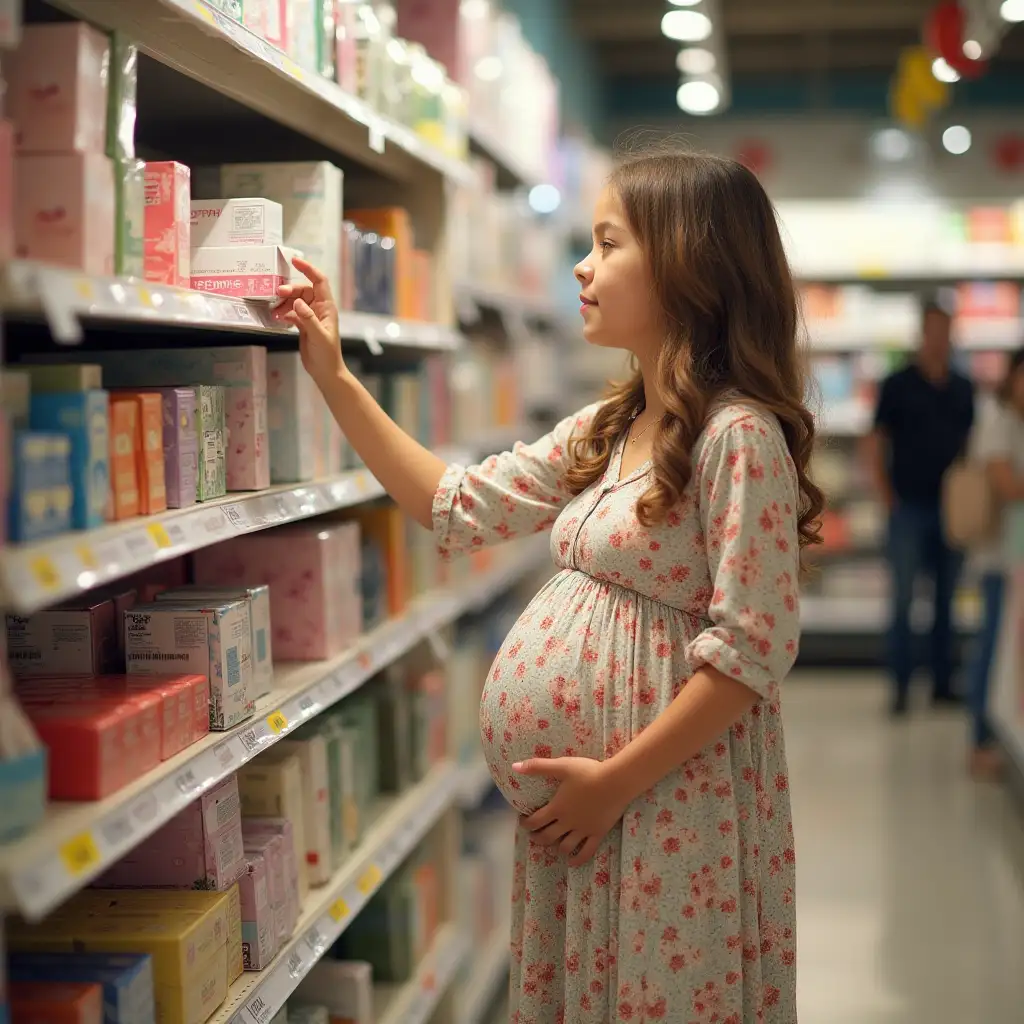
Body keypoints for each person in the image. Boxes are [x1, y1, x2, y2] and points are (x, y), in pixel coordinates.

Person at [275, 150, 823, 1023]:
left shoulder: (738, 437)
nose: (582, 265)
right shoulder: (613, 427)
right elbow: (452, 504)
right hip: (589, 813)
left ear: (687, 265)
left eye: (607, 244)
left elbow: (753, 653)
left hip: (668, 806)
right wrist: (335, 376)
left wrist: (613, 783)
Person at [869, 301, 974, 715]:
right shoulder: (897, 384)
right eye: (933, 331)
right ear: (922, 334)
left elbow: (970, 445)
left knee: (947, 600)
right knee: (903, 602)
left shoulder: (964, 387)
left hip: (951, 509)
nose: (939, 339)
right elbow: (876, 440)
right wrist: (886, 494)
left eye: (945, 331)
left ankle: (943, 684)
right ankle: (900, 687)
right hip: (908, 505)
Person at [964, 346, 1024, 777]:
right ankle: (980, 739)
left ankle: (1002, 733)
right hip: (1000, 559)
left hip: (1016, 559)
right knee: (991, 649)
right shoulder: (998, 424)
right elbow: (1008, 487)